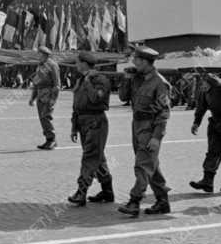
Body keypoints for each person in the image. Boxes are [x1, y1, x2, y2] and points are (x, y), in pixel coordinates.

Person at [118, 47, 172, 217]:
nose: (134, 63)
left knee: (142, 165)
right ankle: (162, 201)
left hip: (150, 128)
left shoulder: (159, 82)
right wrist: (127, 79)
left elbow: (164, 113)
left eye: (137, 60)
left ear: (146, 62)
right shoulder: (137, 79)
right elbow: (123, 97)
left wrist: (157, 137)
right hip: (137, 126)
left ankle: (134, 201)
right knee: (151, 165)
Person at [67, 51, 113, 206]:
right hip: (83, 122)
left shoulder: (100, 80)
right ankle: (107, 192)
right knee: (98, 158)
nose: (76, 65)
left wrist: (88, 83)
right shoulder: (80, 80)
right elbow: (77, 105)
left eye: (77, 62)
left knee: (89, 157)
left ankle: (81, 192)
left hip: (96, 121)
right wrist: (74, 126)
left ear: (85, 63)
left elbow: (96, 99)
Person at [30, 46, 61, 150]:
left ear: (45, 55)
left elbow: (57, 85)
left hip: (48, 94)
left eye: (39, 54)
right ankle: (49, 139)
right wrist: (32, 98)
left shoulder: (52, 65)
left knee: (46, 117)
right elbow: (36, 83)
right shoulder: (40, 66)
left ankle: (52, 139)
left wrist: (53, 99)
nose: (37, 56)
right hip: (40, 95)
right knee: (42, 118)